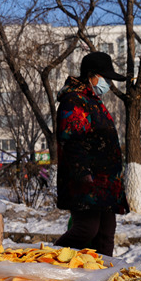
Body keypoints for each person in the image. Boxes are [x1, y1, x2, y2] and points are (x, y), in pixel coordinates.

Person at [54, 51, 128, 256]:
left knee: (106, 233)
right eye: (105, 78)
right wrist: (82, 172)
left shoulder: (93, 100)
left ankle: (100, 277)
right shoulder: (74, 100)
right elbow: (71, 138)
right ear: (93, 75)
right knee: (86, 229)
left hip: (105, 181)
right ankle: (48, 262)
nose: (108, 84)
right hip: (88, 180)